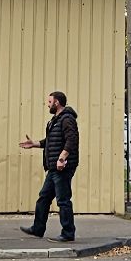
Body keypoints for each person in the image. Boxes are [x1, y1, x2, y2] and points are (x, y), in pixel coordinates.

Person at [19, 90, 79, 242]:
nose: (48, 105)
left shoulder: (67, 119)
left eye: (50, 102)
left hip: (62, 167)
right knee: (44, 198)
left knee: (63, 200)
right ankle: (38, 228)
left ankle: (68, 233)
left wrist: (62, 158)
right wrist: (35, 144)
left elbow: (71, 140)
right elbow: (51, 141)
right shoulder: (55, 120)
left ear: (57, 102)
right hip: (54, 167)